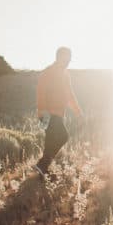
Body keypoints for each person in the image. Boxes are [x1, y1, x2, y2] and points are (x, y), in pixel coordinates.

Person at [33, 47, 82, 177]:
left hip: (59, 113)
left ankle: (42, 169)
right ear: (59, 57)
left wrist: (77, 111)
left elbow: (70, 94)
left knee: (50, 142)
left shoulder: (65, 74)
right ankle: (42, 165)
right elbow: (40, 92)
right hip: (48, 113)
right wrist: (42, 112)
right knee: (63, 136)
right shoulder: (48, 72)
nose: (69, 61)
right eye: (67, 58)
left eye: (70, 59)